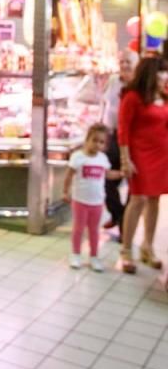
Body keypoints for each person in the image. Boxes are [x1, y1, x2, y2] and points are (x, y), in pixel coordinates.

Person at [117, 56, 168, 274]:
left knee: (155, 199)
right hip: (139, 154)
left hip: (162, 154)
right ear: (151, 73)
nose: (165, 76)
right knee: (137, 199)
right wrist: (125, 159)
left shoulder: (164, 96)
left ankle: (148, 246)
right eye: (162, 72)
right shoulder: (132, 97)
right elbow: (123, 129)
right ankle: (126, 250)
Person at [63, 124, 112, 272]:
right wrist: (65, 191)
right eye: (94, 140)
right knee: (78, 229)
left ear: (105, 145)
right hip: (80, 201)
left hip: (97, 202)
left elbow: (108, 174)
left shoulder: (103, 158)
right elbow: (69, 175)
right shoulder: (78, 157)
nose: (97, 144)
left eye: (101, 142)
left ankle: (94, 257)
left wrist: (122, 173)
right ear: (87, 139)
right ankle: (76, 254)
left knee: (94, 230)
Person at [102, 49, 140, 238]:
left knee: (134, 184)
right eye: (122, 61)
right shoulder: (112, 81)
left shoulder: (139, 86)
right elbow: (105, 105)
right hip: (112, 136)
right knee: (106, 178)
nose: (124, 65)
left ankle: (125, 227)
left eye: (128, 62)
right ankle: (119, 214)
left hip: (133, 139)